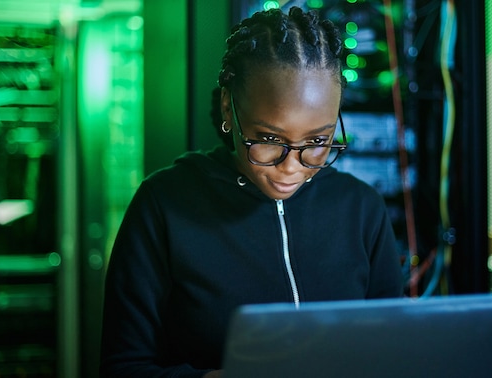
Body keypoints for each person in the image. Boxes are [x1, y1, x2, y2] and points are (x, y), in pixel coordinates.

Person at [100, 6, 404, 378]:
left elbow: (393, 350)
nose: (292, 167)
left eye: (317, 141)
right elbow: (123, 367)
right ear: (229, 108)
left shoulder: (361, 208)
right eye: (269, 139)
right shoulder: (164, 204)